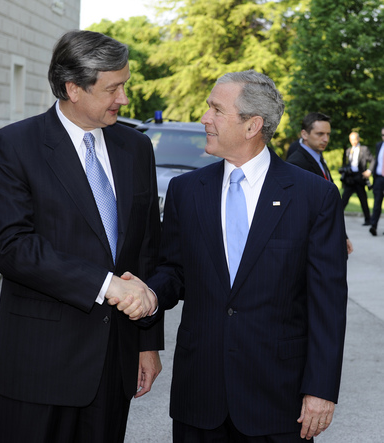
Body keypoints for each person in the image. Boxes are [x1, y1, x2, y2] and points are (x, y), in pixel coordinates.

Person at [120, 70, 348, 442]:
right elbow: (174, 271)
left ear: (252, 125)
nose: (204, 118)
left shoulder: (314, 197)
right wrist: (147, 293)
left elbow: (328, 302)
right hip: (200, 397)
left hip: (278, 400)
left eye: (216, 110)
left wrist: (321, 389)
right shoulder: (186, 191)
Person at [0, 30, 163, 443]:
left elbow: (147, 249)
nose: (124, 99)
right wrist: (105, 284)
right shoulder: (14, 145)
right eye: (113, 88)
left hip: (113, 367)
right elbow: (12, 247)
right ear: (72, 88)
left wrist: (147, 342)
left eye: (125, 85)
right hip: (37, 367)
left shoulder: (137, 148)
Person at [287, 112, 353, 254]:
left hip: (327, 239)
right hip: (313, 246)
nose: (326, 139)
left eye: (328, 134)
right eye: (320, 134)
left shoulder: (318, 157)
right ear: (304, 134)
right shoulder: (296, 164)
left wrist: (343, 235)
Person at [340, 131, 374, 226]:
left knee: (363, 200)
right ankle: (336, 217)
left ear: (358, 139)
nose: (353, 141)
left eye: (355, 139)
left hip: (360, 178)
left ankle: (368, 219)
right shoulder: (348, 151)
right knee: (344, 199)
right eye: (351, 140)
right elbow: (349, 164)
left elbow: (372, 160)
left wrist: (369, 171)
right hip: (350, 179)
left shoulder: (364, 149)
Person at [369, 127, 384, 236]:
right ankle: (373, 226)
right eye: (383, 135)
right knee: (377, 203)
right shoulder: (379, 145)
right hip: (379, 178)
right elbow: (376, 162)